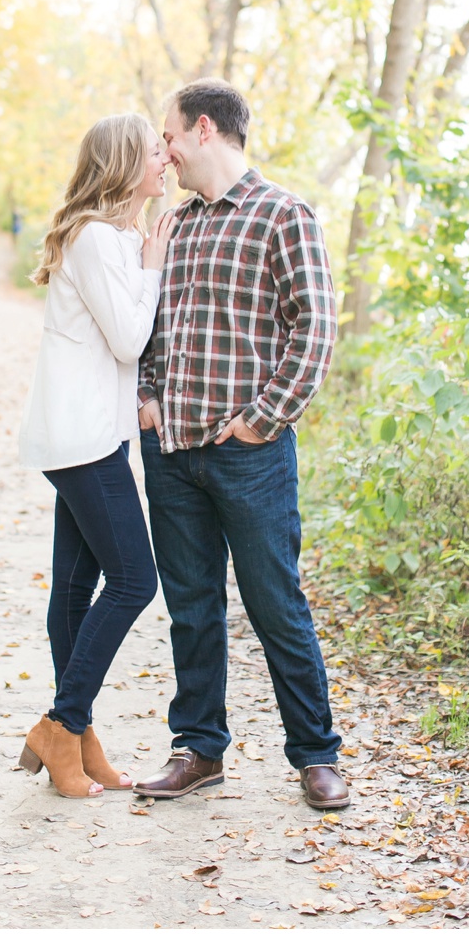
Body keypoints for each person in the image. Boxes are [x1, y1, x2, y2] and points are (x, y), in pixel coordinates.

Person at [130, 79, 348, 811]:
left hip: (249, 454)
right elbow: (151, 322)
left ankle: (316, 754)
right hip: (174, 454)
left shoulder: (283, 213)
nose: (163, 152)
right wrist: (148, 396)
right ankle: (198, 748)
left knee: (274, 600)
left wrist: (262, 418)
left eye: (168, 138)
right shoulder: (179, 226)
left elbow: (313, 328)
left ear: (201, 130)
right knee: (191, 605)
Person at [17, 114, 175, 798]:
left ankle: (77, 745)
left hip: (83, 436)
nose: (164, 160)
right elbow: (130, 338)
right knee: (136, 579)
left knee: (75, 593)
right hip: (84, 440)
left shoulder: (102, 236)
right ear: (122, 166)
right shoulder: (97, 240)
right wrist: (152, 266)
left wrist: (138, 258)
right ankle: (62, 725)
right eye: (152, 152)